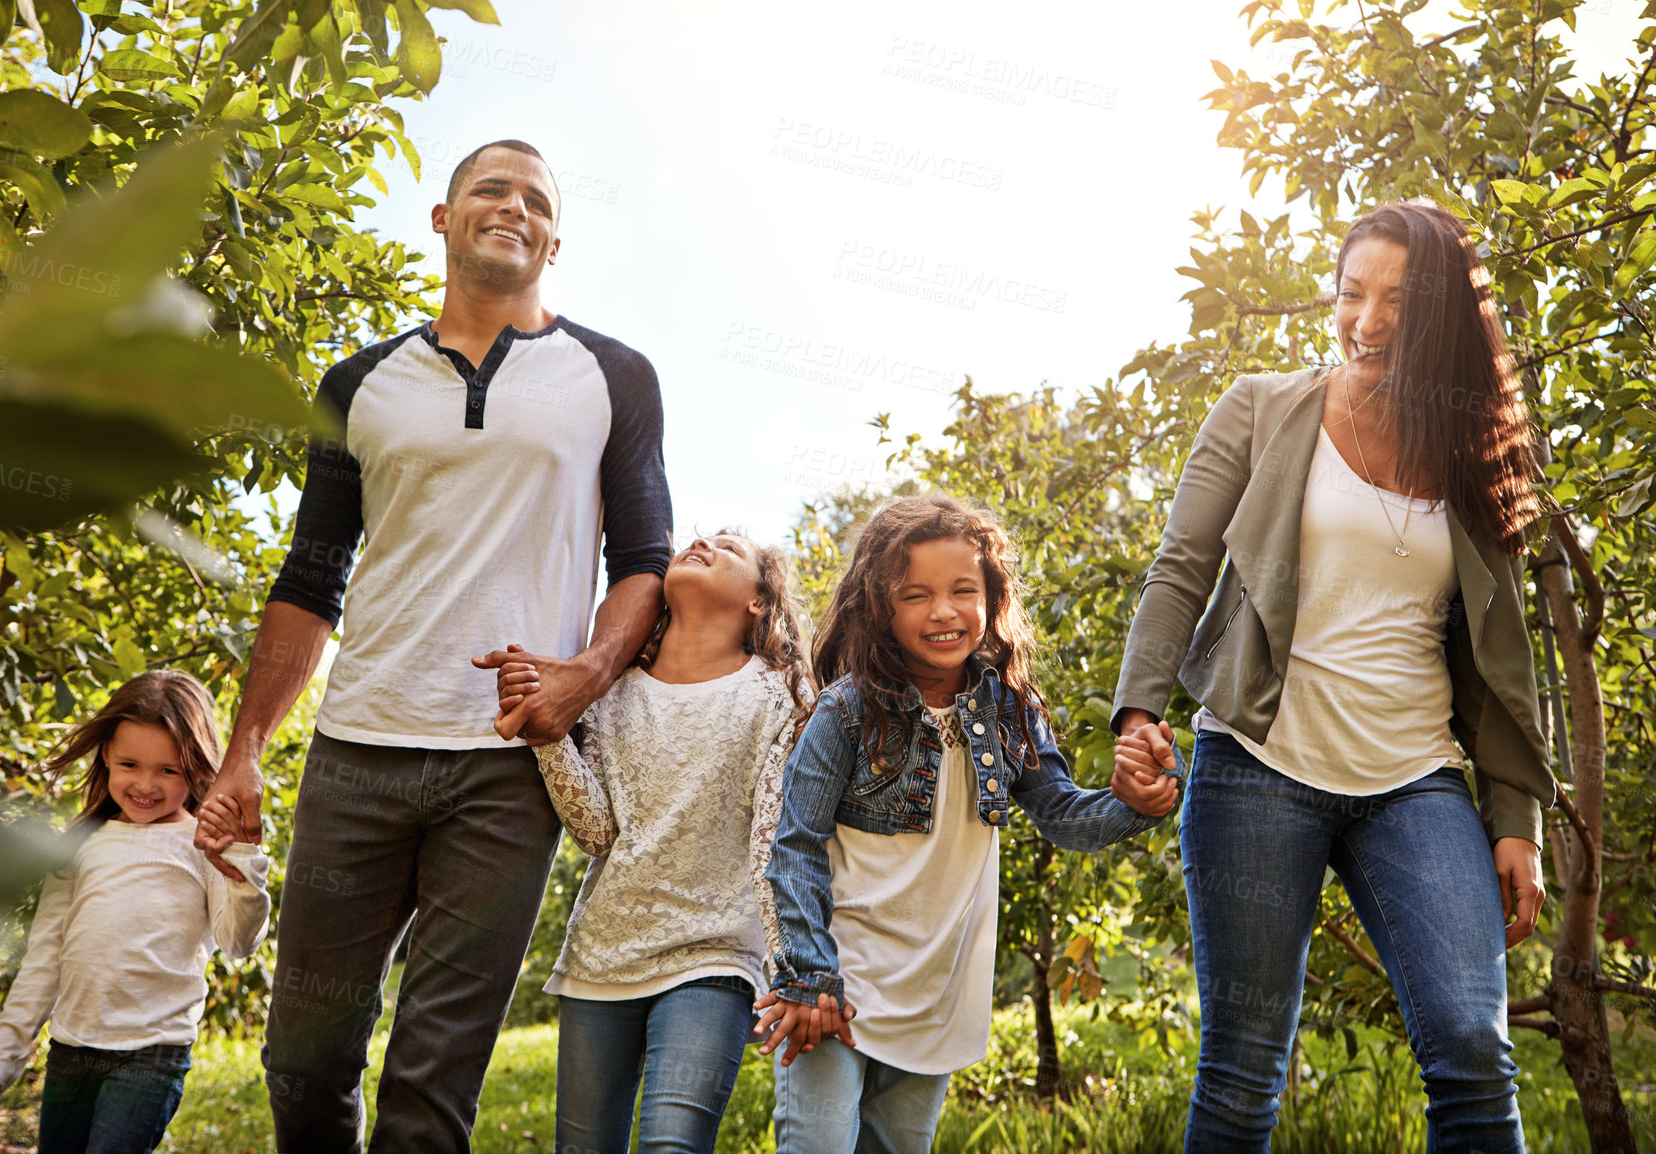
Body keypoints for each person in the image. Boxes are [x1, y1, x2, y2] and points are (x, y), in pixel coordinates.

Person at [193, 137, 673, 1153]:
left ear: (555, 237)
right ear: (442, 219)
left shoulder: (615, 376)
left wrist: (581, 679)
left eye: (535, 198)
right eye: (489, 190)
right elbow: (308, 580)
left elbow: (643, 559)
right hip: (357, 752)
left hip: (510, 769)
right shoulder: (358, 382)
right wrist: (243, 752)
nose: (513, 207)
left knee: (433, 1071)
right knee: (305, 1053)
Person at [1111, 201, 1555, 1153]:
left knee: (1474, 1050)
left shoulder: (1477, 456)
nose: (1366, 320)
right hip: (1257, 768)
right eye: (1353, 293)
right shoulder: (1265, 408)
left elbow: (1502, 652)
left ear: (1445, 318)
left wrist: (1516, 819)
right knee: (1241, 1074)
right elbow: (1181, 567)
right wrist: (1137, 713)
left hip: (1416, 780)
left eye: (1399, 299)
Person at [756, 495, 1181, 1153]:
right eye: (916, 594)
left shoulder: (1010, 710)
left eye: (963, 589)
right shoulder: (846, 712)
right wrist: (809, 976)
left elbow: (1064, 817)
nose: (944, 611)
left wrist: (1135, 803)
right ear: (879, 607)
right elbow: (796, 847)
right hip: (838, 982)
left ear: (991, 597)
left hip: (936, 992)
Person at [496, 531, 811, 1154]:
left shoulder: (781, 694)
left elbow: (774, 843)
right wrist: (546, 733)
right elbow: (596, 832)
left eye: (728, 546)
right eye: (699, 536)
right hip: (602, 959)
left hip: (713, 956)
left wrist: (795, 967)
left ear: (758, 600)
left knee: (672, 1146)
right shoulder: (610, 690)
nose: (701, 541)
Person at [0, 671, 270, 1153]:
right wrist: (1, 1058)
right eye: (130, 763)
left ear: (194, 768)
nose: (146, 785)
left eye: (168, 770)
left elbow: (239, 942)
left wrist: (243, 860)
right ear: (106, 753)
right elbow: (45, 958)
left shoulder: (205, 844)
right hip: (71, 1050)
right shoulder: (82, 845)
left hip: (153, 1055)